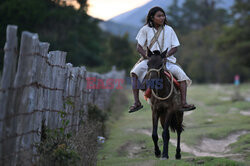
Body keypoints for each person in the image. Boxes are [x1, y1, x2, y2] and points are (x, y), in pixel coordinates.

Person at [129, 6, 195, 113]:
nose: (162, 18)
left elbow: (175, 47)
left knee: (182, 76)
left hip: (167, 61)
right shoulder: (145, 29)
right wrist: (148, 58)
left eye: (163, 15)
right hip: (150, 62)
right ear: (152, 17)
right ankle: (137, 102)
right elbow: (139, 47)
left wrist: (166, 56)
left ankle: (183, 103)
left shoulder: (169, 30)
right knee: (134, 73)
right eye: (159, 16)